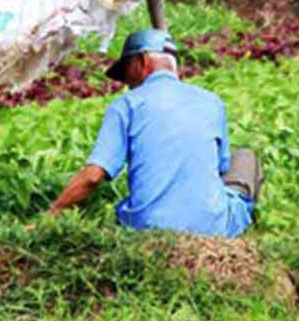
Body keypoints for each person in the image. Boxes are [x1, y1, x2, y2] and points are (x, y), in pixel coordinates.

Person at [45, 29, 263, 237]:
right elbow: (221, 168)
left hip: (146, 224)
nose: (127, 84)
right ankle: (237, 231)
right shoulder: (212, 102)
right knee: (245, 158)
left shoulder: (126, 105)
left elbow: (93, 176)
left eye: (126, 74)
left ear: (140, 62)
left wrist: (52, 214)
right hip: (213, 228)